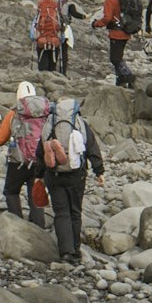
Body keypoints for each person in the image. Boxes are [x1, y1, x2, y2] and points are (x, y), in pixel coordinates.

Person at [42, 96, 105, 263]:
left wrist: (38, 174)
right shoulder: (80, 123)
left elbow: (40, 150)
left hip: (54, 174)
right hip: (76, 174)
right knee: (75, 212)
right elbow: (91, 147)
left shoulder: (50, 122)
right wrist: (99, 171)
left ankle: (65, 252)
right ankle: (76, 249)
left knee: (61, 212)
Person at [0, 80, 53, 223]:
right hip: (39, 161)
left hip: (18, 162)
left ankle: (17, 223)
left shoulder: (14, 113)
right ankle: (38, 226)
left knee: (11, 191)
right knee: (35, 192)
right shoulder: (45, 113)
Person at [92, 0, 138, 86]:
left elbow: (107, 18)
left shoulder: (110, 0)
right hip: (126, 31)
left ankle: (128, 76)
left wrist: (96, 23)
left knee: (115, 59)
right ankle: (121, 80)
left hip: (116, 33)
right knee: (119, 57)